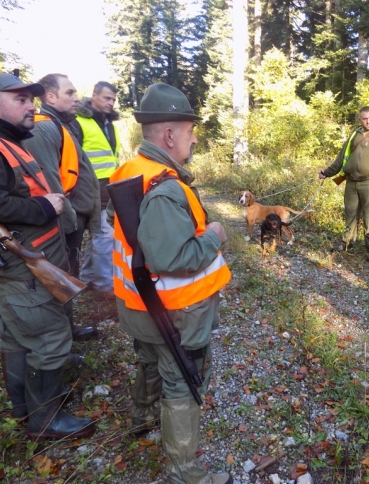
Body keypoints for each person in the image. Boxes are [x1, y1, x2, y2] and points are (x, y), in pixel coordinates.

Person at [107, 83, 232, 484]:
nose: (194, 138)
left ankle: (141, 419)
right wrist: (214, 235)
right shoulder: (165, 190)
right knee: (181, 381)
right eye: (190, 129)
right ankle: (186, 474)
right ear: (169, 136)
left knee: (149, 362)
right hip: (175, 313)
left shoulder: (131, 171)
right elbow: (172, 258)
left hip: (141, 305)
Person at [0, 73, 95, 439]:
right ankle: (45, 420)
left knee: (16, 337)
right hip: (23, 270)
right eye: (19, 99)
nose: (30, 105)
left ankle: (24, 408)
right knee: (51, 339)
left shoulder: (10, 141)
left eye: (31, 99)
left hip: (29, 266)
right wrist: (44, 207)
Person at [22, 73, 100, 341]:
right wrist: (66, 224)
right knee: (58, 278)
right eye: (70, 93)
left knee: (67, 275)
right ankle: (59, 341)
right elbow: (49, 183)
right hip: (62, 221)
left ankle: (67, 330)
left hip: (71, 217)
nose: (76, 98)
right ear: (51, 97)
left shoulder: (63, 126)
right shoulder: (44, 128)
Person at [319, 106, 369, 262]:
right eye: (364, 118)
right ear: (360, 119)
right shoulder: (354, 135)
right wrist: (326, 172)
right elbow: (341, 158)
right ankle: (347, 243)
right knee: (350, 214)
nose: (368, 121)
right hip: (351, 182)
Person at [73, 81, 120, 294]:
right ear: (94, 96)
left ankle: (87, 278)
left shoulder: (109, 124)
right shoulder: (79, 122)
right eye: (107, 98)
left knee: (98, 236)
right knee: (104, 238)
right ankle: (105, 286)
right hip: (89, 190)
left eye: (113, 99)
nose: (111, 103)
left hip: (108, 189)